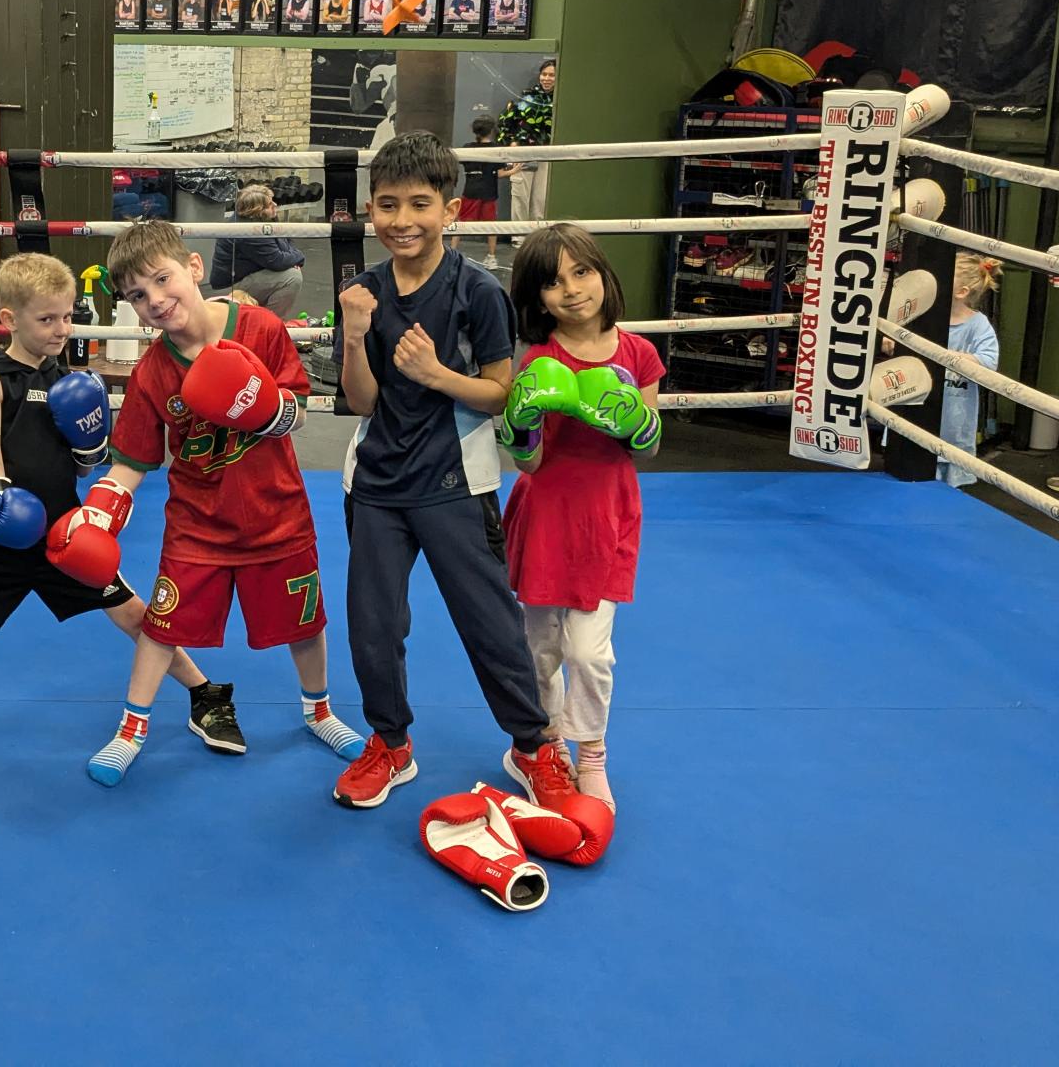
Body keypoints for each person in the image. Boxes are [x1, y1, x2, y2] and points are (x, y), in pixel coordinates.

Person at [0, 253, 223, 721]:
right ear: (11, 319)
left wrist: (91, 447)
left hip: (63, 531)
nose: (62, 329)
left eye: (67, 316)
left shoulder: (67, 380)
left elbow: (79, 471)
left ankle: (203, 690)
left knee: (131, 612)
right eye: (47, 319)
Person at [332, 132, 568, 813]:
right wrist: (353, 337)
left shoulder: (477, 292)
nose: (402, 220)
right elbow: (363, 402)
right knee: (373, 625)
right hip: (376, 484)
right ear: (370, 210)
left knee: (489, 621)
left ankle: (531, 744)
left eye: (419, 204)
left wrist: (437, 374)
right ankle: (391, 744)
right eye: (387, 205)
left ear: (450, 209)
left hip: (455, 482)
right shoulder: (364, 294)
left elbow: (501, 394)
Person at [82, 220, 365, 785]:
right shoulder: (151, 372)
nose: (156, 301)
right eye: (138, 296)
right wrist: (96, 515)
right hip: (197, 525)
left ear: (193, 267)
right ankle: (132, 728)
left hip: (276, 514)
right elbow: (133, 461)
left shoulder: (259, 328)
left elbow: (302, 409)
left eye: (162, 280)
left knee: (305, 623)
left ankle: (320, 711)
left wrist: (263, 408)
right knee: (163, 625)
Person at [499, 224, 665, 810]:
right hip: (546, 514)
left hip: (606, 514)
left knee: (590, 652)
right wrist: (519, 426)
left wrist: (631, 422)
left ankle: (591, 752)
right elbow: (533, 459)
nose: (570, 290)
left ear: (603, 274)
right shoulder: (539, 359)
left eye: (581, 272)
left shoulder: (638, 352)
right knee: (539, 648)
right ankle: (543, 747)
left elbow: (646, 448)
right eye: (552, 282)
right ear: (536, 298)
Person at [940, 254, 1003, 487]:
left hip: (955, 426)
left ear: (962, 292)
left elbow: (989, 363)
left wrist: (950, 357)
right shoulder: (925, 315)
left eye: (943, 277)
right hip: (919, 416)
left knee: (949, 496)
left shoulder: (978, 325)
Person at [208, 185, 306, 316]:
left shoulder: (263, 219)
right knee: (292, 277)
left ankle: (263, 321)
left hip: (250, 276)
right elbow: (277, 261)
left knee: (290, 270)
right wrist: (299, 257)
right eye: (270, 204)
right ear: (259, 209)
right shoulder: (248, 231)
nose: (275, 204)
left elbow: (286, 244)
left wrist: (293, 260)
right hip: (231, 287)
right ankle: (269, 325)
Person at [495, 60, 556, 234]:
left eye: (552, 75)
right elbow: (505, 121)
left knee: (540, 200)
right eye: (544, 74)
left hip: (548, 157)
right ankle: (519, 238)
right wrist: (512, 141)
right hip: (523, 155)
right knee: (521, 197)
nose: (547, 78)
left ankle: (537, 237)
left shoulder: (561, 101)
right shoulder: (527, 97)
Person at [460, 116, 504, 269]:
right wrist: (514, 170)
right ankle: (491, 257)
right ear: (492, 131)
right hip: (488, 193)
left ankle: (450, 254)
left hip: (471, 191)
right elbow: (499, 173)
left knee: (461, 223)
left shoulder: (466, 147)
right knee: (491, 225)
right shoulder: (496, 149)